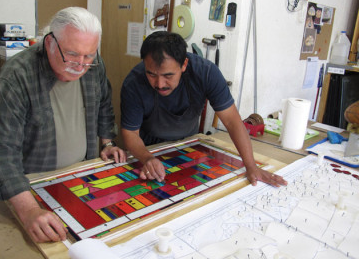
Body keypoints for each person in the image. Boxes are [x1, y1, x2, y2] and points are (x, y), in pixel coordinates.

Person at [0, 7, 126, 243]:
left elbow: (103, 104)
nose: (80, 65)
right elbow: (1, 152)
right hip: (34, 187)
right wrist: (29, 211)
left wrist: (107, 142)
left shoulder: (93, 63)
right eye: (72, 54)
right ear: (50, 42)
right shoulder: (17, 76)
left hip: (83, 175)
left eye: (88, 55)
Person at [121, 31, 287, 187]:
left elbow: (232, 121)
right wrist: (147, 158)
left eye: (168, 76)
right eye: (151, 74)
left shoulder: (206, 73)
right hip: (148, 148)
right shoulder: (134, 83)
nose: (159, 84)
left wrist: (251, 166)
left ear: (184, 64)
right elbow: (130, 133)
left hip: (189, 145)